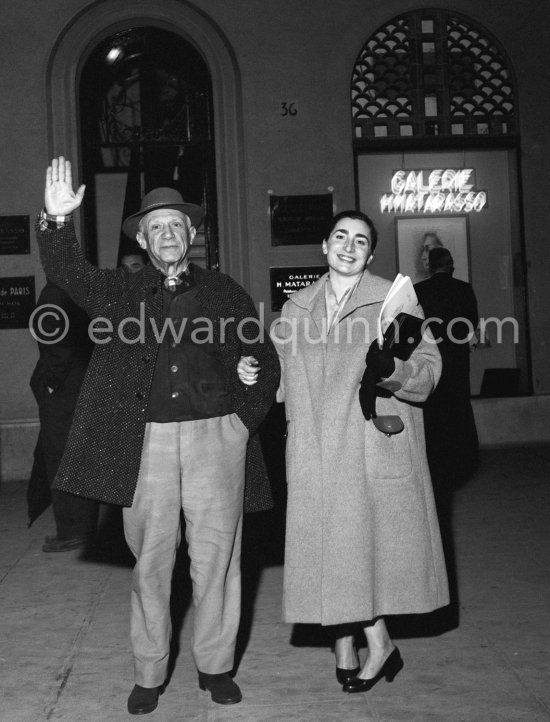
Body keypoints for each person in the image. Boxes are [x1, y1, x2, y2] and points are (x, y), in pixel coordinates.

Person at [36, 157, 280, 715]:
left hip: (217, 440)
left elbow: (262, 359)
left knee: (217, 561)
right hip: (145, 446)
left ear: (191, 235)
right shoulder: (121, 293)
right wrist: (54, 222)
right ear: (144, 240)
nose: (168, 234)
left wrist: (243, 420)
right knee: (150, 562)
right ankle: (150, 671)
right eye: (156, 228)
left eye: (177, 226)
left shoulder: (225, 292)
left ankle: (215, 668)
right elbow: (68, 274)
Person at [238, 210, 449, 693]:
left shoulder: (393, 302)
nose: (349, 246)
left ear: (371, 253)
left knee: (355, 551)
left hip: (368, 449)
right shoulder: (297, 309)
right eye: (340, 236)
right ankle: (346, 642)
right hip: (314, 449)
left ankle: (379, 646)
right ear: (324, 245)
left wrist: (392, 369)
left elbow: (430, 370)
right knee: (331, 550)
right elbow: (278, 379)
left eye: (360, 240)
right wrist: (253, 374)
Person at [414, 248, 480, 628]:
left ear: (429, 265)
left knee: (434, 416)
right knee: (458, 412)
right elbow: (469, 325)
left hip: (432, 361)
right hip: (456, 360)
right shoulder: (464, 289)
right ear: (451, 264)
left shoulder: (421, 291)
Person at [29, 280, 98, 550]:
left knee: (61, 455)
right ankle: (82, 527)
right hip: (80, 384)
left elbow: (56, 344)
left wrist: (52, 381)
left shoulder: (54, 295)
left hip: (65, 390)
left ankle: (73, 530)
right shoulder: (79, 290)